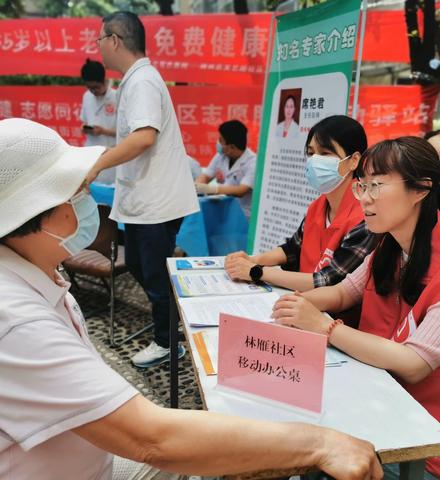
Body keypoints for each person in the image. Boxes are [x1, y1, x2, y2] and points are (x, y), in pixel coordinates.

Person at [0, 118, 384, 480]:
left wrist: (256, 269)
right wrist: (319, 443)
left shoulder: (39, 275)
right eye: (78, 190)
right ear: (38, 213)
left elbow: (334, 282)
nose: (88, 202)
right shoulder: (17, 319)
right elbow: (151, 439)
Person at [272, 136, 440, 480]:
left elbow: (414, 364)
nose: (365, 198)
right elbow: (341, 293)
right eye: (362, 186)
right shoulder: (390, 245)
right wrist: (295, 306)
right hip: (380, 407)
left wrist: (325, 328)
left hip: (437, 445)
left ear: (421, 190)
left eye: (377, 186)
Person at [85, 12, 199, 367]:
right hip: (145, 199)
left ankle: (168, 342)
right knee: (138, 263)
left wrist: (98, 163)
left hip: (156, 202)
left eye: (99, 39)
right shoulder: (135, 81)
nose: (99, 46)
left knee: (151, 272)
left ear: (115, 40)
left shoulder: (143, 81)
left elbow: (144, 137)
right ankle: (173, 325)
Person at [226, 115, 376, 295]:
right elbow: (293, 248)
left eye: (325, 153)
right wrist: (254, 259)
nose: (314, 160)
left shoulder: (366, 217)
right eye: (311, 153)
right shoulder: (318, 206)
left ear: (354, 160)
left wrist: (256, 271)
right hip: (301, 301)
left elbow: (327, 279)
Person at [195, 120, 256, 219]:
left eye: (220, 140)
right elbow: (206, 176)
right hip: (223, 212)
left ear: (231, 147)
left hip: (244, 216)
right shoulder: (221, 156)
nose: (218, 143)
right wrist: (198, 186)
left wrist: (212, 189)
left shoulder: (252, 162)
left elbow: (241, 190)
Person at [80, 59, 117, 185]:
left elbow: (127, 134)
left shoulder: (117, 97)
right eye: (89, 88)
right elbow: (85, 120)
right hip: (91, 155)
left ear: (104, 80)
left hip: (112, 155)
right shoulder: (87, 97)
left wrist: (104, 131)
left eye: (96, 87)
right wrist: (85, 129)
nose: (93, 91)